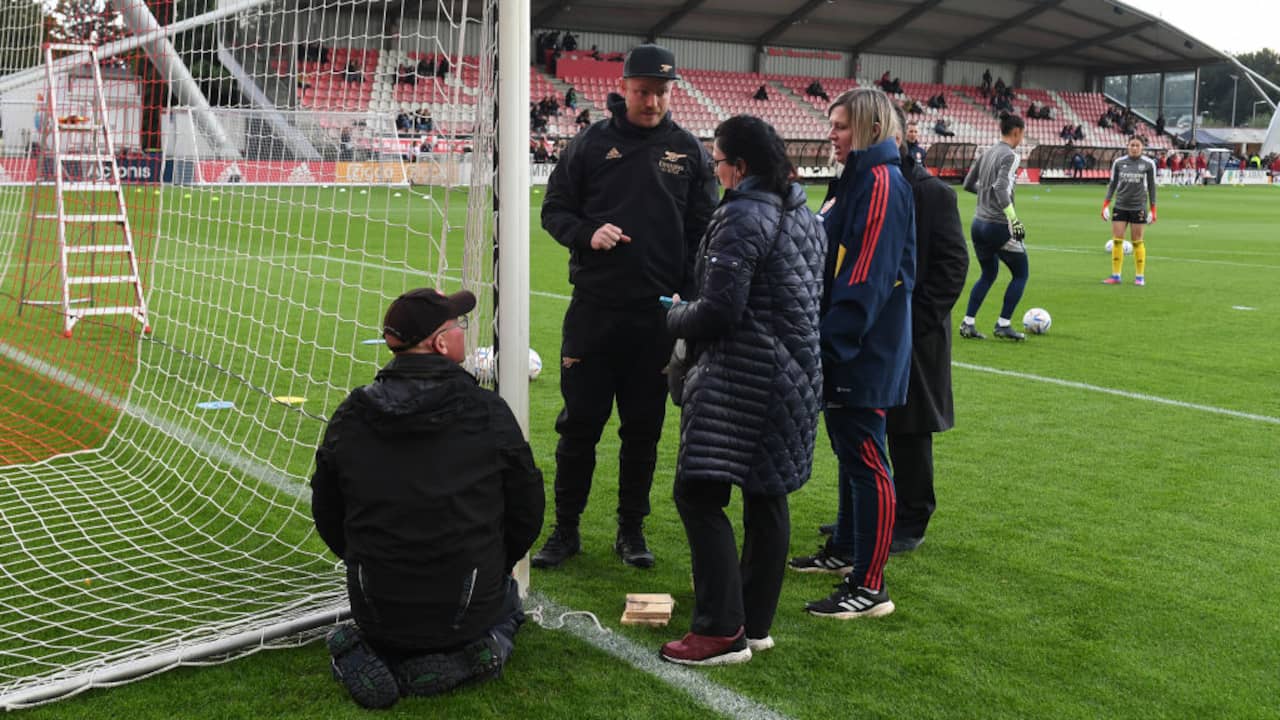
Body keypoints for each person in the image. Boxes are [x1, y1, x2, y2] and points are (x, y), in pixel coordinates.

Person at [310, 288, 544, 709]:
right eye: (459, 326)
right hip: (468, 605)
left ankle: (362, 649)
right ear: (439, 343)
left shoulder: (350, 414)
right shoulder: (486, 412)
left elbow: (327, 512)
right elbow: (528, 508)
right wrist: (498, 563)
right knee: (510, 605)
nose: (463, 333)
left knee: (393, 611)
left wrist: (363, 560)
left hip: (376, 603)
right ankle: (481, 651)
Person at [536, 43, 718, 570]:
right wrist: (587, 233)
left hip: (657, 317)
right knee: (579, 426)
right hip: (594, 311)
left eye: (661, 92)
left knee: (643, 429)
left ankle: (630, 531)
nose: (652, 102)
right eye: (643, 91)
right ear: (623, 87)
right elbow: (554, 210)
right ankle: (565, 529)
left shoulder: (688, 150)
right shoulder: (592, 142)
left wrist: (689, 289)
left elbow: (704, 231)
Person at [658, 115, 825, 665]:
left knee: (698, 493)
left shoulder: (742, 216)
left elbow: (721, 311)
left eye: (718, 161)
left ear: (741, 166)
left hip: (743, 377)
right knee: (767, 494)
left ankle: (719, 630)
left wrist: (676, 315)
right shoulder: (801, 213)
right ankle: (754, 625)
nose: (715, 169)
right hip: (794, 377)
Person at [788, 88, 915, 620]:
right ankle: (843, 550)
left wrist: (830, 344)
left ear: (865, 127)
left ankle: (870, 585)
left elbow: (866, 277)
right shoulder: (854, 180)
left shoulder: (883, 182)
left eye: (840, 127)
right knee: (849, 449)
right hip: (847, 339)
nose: (832, 136)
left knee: (866, 456)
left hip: (863, 346)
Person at [886, 105, 968, 555]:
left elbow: (954, 265)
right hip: (873, 331)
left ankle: (913, 518)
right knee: (868, 422)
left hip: (915, 334)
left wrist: (916, 321)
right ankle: (873, 506)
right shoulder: (863, 188)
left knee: (910, 428)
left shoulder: (932, 193)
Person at [959, 113, 1029, 341]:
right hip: (997, 225)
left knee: (988, 273)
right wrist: (1014, 219)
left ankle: (968, 323)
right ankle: (1003, 324)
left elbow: (968, 184)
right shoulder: (1010, 156)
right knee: (1021, 273)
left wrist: (985, 196)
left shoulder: (987, 152)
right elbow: (1001, 187)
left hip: (978, 224)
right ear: (1017, 131)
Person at [1101, 136, 1157, 286]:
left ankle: (1139, 277)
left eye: (1137, 145)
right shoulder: (1119, 163)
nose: (1134, 148)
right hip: (1120, 206)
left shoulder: (1148, 164)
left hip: (1138, 207)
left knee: (1137, 242)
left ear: (1142, 147)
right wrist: (1105, 204)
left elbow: (1152, 187)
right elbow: (1112, 184)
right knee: (1117, 240)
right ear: (1127, 146)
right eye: (1132, 145)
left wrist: (1153, 209)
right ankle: (1116, 275)